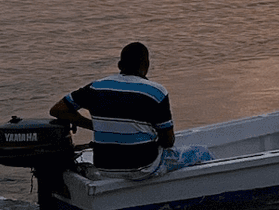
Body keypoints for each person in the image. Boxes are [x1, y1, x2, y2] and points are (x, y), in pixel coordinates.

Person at [51, 42, 211, 179]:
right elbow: (168, 141)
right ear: (146, 66)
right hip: (142, 167)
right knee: (201, 153)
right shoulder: (156, 92)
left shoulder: (96, 87)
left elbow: (58, 110)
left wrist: (93, 124)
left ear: (120, 66)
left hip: (105, 167)